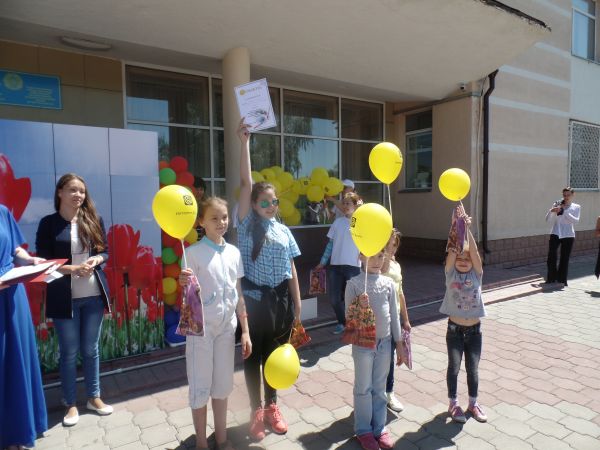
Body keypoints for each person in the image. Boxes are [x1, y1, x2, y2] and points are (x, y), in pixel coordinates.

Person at [237, 119, 302, 441]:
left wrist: (298, 305)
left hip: (281, 302)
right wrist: (245, 143)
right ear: (253, 205)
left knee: (275, 358)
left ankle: (273, 407)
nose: (270, 206)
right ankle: (255, 412)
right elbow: (245, 182)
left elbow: (292, 269)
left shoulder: (284, 230)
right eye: (264, 202)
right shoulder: (246, 223)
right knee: (254, 358)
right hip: (253, 301)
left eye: (274, 202)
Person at [35, 173, 112, 427]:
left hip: (93, 297)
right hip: (64, 299)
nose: (78, 195)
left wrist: (96, 259)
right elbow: (43, 262)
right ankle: (69, 403)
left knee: (91, 350)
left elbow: (105, 251)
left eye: (81, 191)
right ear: (60, 192)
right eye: (72, 190)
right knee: (69, 352)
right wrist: (72, 269)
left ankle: (94, 397)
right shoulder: (48, 224)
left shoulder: (93, 220)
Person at [179, 197, 252, 450]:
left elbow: (238, 293)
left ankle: (221, 438)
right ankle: (201, 443)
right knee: (200, 386)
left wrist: (245, 331)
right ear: (201, 221)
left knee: (222, 386)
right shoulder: (192, 254)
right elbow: (187, 294)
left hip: (226, 329)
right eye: (214, 218)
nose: (221, 222)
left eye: (224, 217)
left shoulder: (234, 253)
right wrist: (182, 282)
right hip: (200, 331)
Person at [0, 205, 48, 450]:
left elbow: (16, 249)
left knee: (17, 360)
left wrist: (30, 260)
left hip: (12, 292)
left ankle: (18, 432)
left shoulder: (2, 212)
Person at [345, 250, 402, 450]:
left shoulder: (388, 284)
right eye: (372, 256)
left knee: (379, 387)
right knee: (363, 388)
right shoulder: (354, 284)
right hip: (362, 344)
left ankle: (379, 428)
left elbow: (394, 315)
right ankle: (363, 430)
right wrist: (359, 306)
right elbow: (348, 317)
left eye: (380, 256)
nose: (377, 261)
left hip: (385, 344)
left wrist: (399, 343)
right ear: (360, 256)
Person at [440, 204, 487, 424]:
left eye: (466, 258)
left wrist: (466, 230)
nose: (463, 260)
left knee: (473, 369)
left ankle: (473, 403)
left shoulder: (477, 275)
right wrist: (456, 231)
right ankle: (453, 402)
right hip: (455, 331)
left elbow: (474, 253)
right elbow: (452, 253)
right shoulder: (450, 274)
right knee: (454, 367)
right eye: (460, 257)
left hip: (475, 331)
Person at [315, 192, 362, 334]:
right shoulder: (338, 222)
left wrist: (359, 210)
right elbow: (330, 244)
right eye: (344, 203)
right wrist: (322, 262)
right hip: (335, 266)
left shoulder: (359, 222)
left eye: (349, 203)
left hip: (353, 266)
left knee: (353, 298)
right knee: (334, 299)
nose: (345, 206)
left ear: (355, 205)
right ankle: (343, 322)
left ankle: (352, 323)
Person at [381, 229, 411, 412]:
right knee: (381, 355)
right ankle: (376, 391)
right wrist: (385, 254)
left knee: (391, 357)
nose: (391, 248)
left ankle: (389, 392)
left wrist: (405, 319)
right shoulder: (377, 262)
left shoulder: (397, 265)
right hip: (381, 317)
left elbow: (401, 293)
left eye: (394, 245)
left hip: (395, 317)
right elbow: (383, 271)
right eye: (388, 244)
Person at [544, 187, 581, 287]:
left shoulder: (576, 207)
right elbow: (547, 220)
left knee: (564, 258)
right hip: (555, 233)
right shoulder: (557, 204)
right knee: (551, 256)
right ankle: (551, 278)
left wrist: (564, 211)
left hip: (568, 235)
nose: (566, 197)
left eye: (568, 195)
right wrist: (552, 211)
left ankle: (562, 279)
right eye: (564, 195)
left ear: (572, 195)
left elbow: (575, 221)